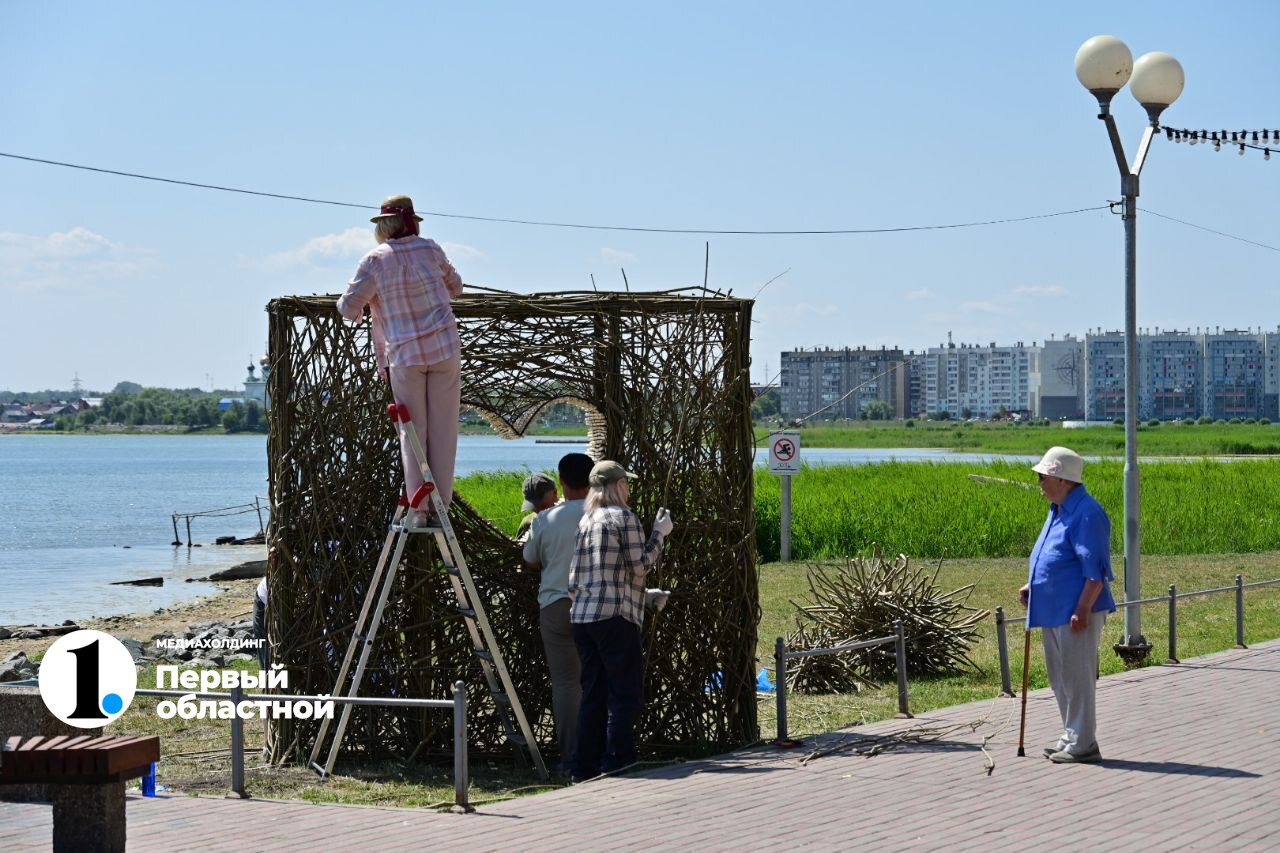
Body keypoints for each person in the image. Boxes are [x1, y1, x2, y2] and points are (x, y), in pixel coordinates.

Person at [337, 195, 464, 525]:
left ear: (382, 226)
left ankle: (419, 508)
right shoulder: (431, 249)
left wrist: (373, 302)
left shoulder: (374, 260)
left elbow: (349, 308)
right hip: (445, 348)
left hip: (405, 355)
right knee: (444, 429)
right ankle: (442, 507)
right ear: (413, 223)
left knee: (412, 431)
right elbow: (456, 287)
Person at [568, 460, 673, 780]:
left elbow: (581, 579)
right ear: (617, 485)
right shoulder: (623, 517)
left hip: (584, 617)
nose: (629, 488)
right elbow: (639, 565)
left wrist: (641, 594)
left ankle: (584, 767)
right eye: (626, 483)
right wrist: (659, 534)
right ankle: (618, 760)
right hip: (615, 618)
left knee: (593, 693)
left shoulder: (587, 520)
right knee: (625, 692)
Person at [1019, 446, 1116, 764]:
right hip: (1052, 608)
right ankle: (1071, 735)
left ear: (1062, 479)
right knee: (1060, 677)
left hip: (1075, 611)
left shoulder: (1087, 513)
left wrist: (1083, 609)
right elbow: (1054, 557)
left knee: (1077, 677)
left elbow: (1096, 571)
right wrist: (1032, 585)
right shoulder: (1058, 508)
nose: (1040, 482)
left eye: (1044, 476)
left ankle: (1084, 743)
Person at [521, 453, 593, 769]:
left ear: (561, 482)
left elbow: (531, 560)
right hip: (597, 607)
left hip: (556, 606)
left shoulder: (545, 519)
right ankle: (604, 749)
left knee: (566, 684)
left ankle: (572, 757)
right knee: (599, 679)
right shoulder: (606, 515)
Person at [516, 473, 558, 542]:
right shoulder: (528, 523)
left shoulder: (570, 516)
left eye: (542, 505)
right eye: (534, 507)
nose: (539, 510)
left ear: (555, 493)